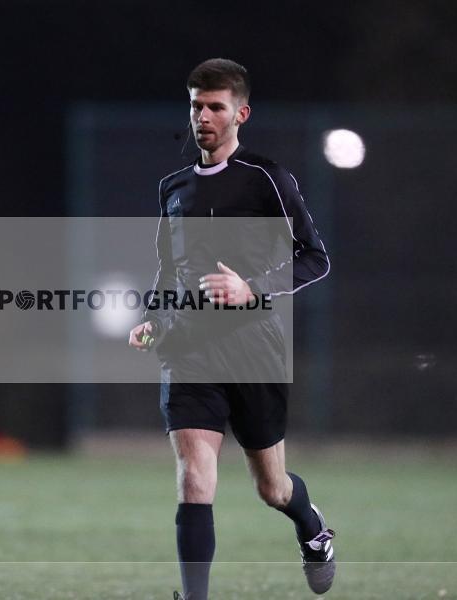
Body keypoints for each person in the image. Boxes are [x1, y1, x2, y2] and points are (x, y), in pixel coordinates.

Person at [128, 58, 334, 599]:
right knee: (195, 478)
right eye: (196, 105)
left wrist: (253, 287)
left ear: (240, 113)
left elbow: (316, 258)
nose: (204, 116)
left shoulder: (268, 179)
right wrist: (151, 316)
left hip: (254, 349)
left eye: (216, 106)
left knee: (272, 487)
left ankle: (312, 528)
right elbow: (168, 270)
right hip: (188, 348)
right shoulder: (173, 188)